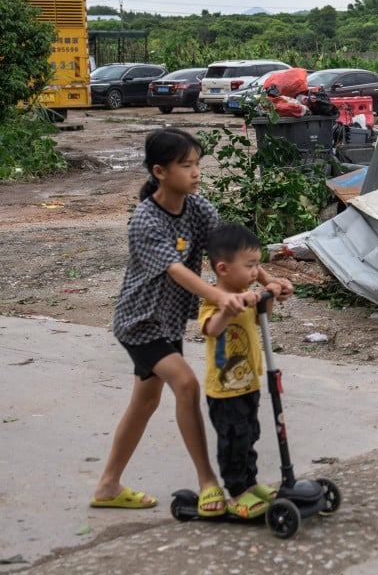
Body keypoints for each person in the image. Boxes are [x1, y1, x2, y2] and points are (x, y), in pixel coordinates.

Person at [90, 128, 293, 516]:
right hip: (140, 322)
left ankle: (108, 484)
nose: (196, 172)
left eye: (197, 163)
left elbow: (231, 254)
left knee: (145, 401)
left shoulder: (198, 209)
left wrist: (267, 280)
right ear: (160, 171)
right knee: (185, 384)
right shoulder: (145, 220)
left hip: (167, 324)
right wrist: (222, 297)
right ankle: (207, 481)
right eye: (186, 165)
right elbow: (176, 272)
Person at [199, 222, 283, 518]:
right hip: (224, 389)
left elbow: (265, 318)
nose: (254, 272)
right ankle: (237, 493)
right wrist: (227, 309)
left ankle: (250, 482)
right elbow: (210, 329)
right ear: (223, 268)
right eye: (250, 266)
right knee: (233, 440)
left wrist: (269, 292)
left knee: (250, 436)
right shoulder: (215, 298)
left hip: (249, 383)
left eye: (257, 265)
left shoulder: (247, 291)